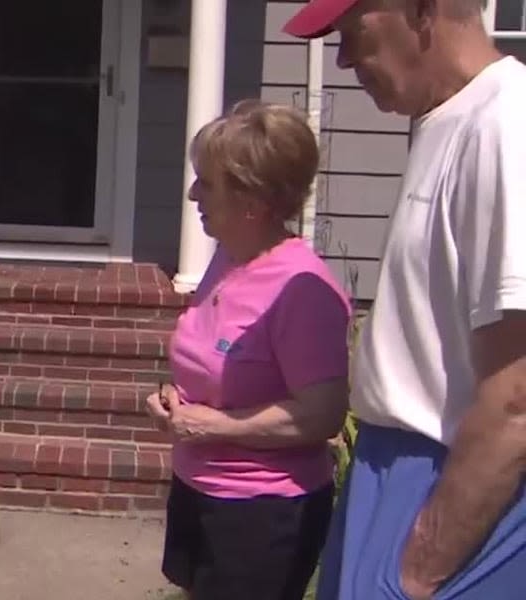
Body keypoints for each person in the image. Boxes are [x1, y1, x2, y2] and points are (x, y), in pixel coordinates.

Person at [282, 1, 526, 598]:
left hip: (451, 483)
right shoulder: (449, 119)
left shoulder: (506, 125)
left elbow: (517, 397)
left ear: (422, 10)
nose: (341, 59)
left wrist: (418, 567)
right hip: (393, 472)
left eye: (353, 33)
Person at [144, 99, 353, 600]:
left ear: (251, 201)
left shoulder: (301, 289)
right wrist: (175, 399)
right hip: (201, 485)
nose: (194, 193)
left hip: (263, 512)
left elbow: (321, 414)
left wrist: (217, 426)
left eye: (207, 183)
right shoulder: (228, 259)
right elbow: (219, 362)